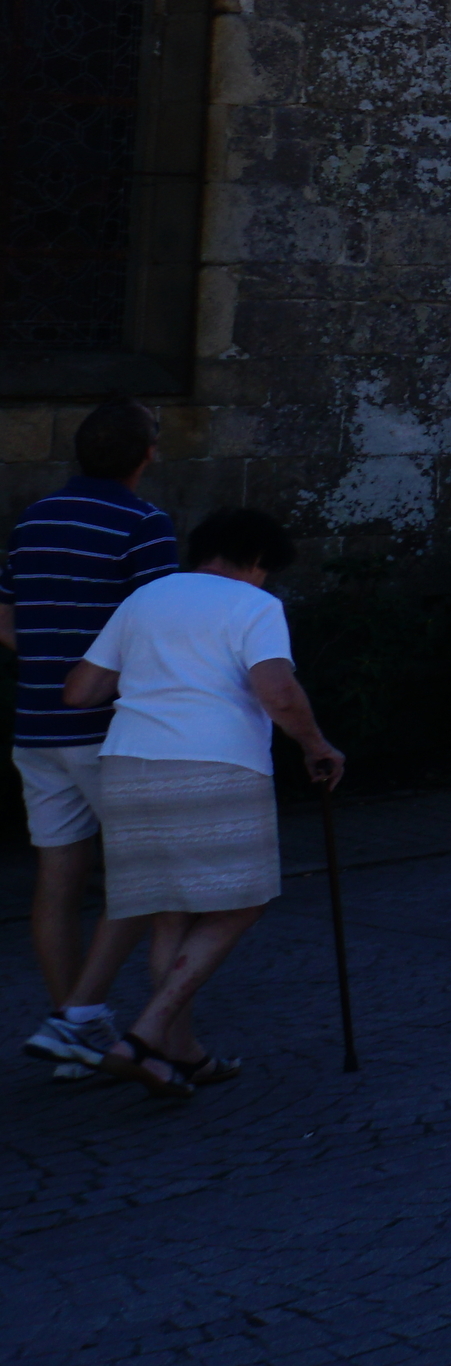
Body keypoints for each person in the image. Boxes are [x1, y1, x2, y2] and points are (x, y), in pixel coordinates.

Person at [58, 505, 345, 1099]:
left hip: (128, 765)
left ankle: (176, 1054)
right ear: (257, 561)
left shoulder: (146, 598)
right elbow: (278, 691)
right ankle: (142, 1036)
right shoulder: (255, 606)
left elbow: (80, 691)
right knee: (242, 903)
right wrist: (316, 744)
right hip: (215, 765)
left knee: (170, 911)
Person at [6, 398, 182, 1078]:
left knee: (57, 878)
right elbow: (158, 627)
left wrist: (51, 658)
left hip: (37, 724)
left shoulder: (35, 516)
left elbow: (4, 614)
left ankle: (74, 1031)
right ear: (147, 454)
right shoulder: (145, 523)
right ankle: (81, 1014)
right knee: (146, 875)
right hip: (108, 732)